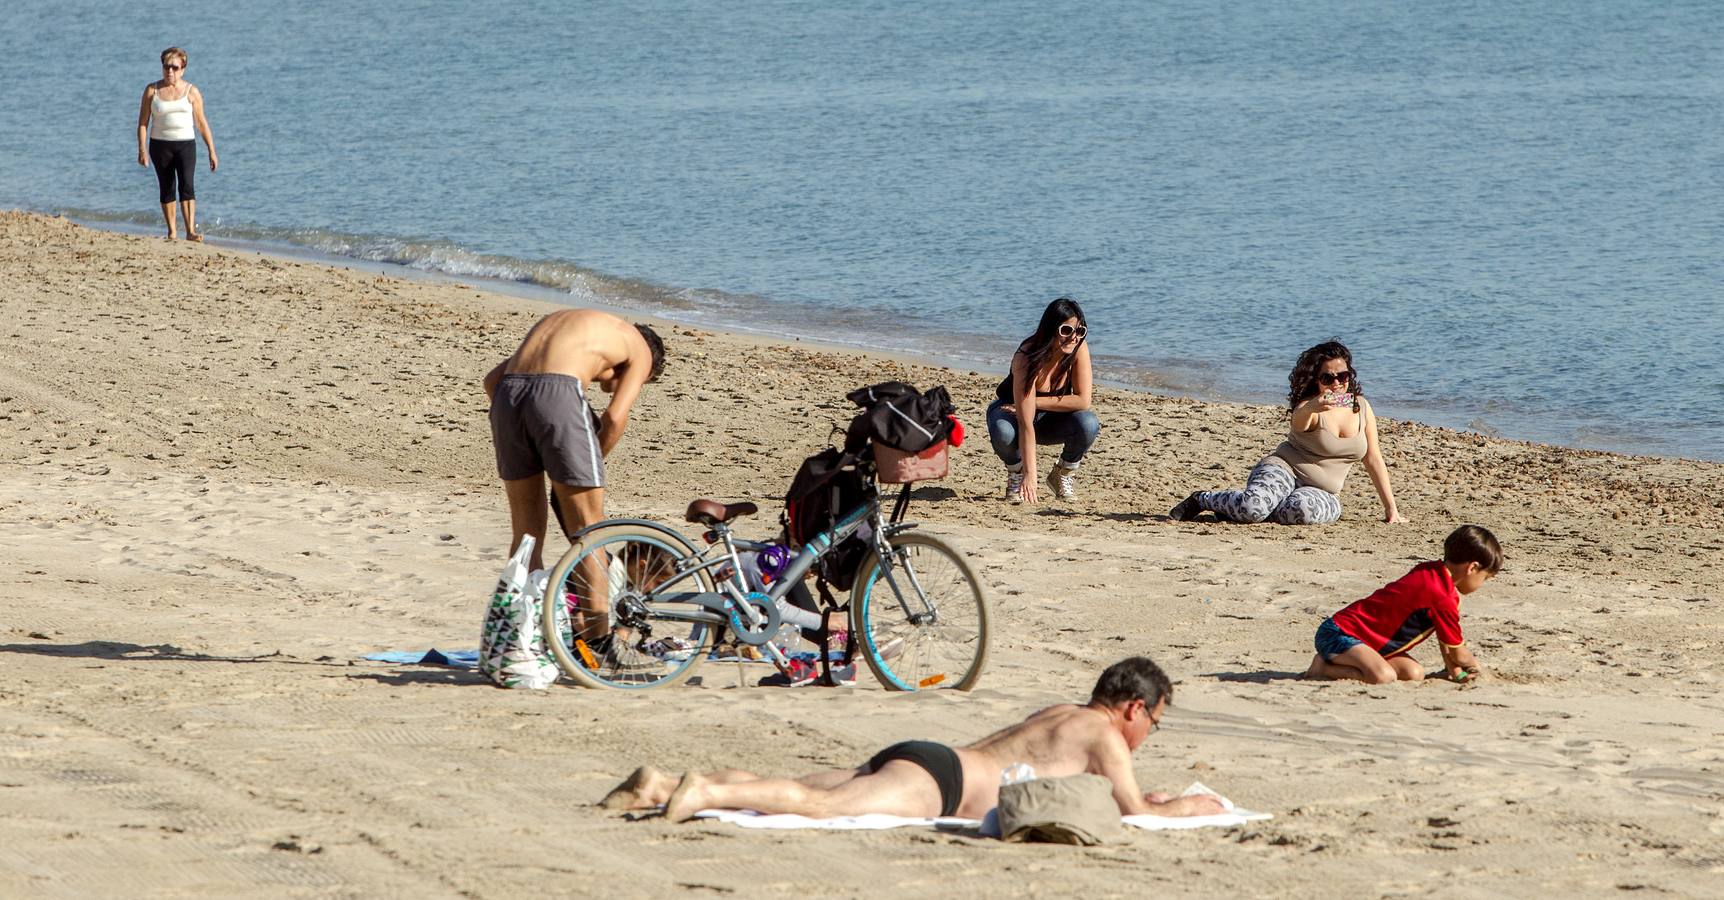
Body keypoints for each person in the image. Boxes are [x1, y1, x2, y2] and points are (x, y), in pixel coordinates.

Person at [599, 656, 1226, 822]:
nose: (1148, 734)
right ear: (1134, 708)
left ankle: (658, 785)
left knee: (810, 787)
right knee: (819, 806)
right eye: (1155, 723)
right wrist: (1194, 804)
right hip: (943, 785)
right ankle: (702, 791)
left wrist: (1154, 795)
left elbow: (1094, 787)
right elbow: (1136, 809)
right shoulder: (1104, 732)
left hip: (927, 755)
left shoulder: (1062, 712)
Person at [483, 310, 664, 653]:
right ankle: (599, 640)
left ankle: (519, 633)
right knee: (590, 529)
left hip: (508, 397)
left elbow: (492, 381)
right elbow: (613, 416)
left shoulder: (587, 328)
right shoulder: (639, 347)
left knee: (525, 533)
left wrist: (528, 431)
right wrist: (588, 461)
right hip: (558, 393)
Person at [1169, 340, 1401, 525]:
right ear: (1316, 380)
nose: (1336, 383)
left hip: (1323, 492)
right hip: (1284, 470)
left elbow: (1373, 458)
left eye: (1342, 376)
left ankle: (1239, 512)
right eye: (1327, 378)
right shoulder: (1308, 406)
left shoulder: (1361, 407)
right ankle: (1203, 499)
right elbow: (1298, 421)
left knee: (1301, 511)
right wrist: (1313, 406)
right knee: (1253, 508)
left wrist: (1391, 509)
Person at [1304, 525, 1501, 684]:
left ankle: (1353, 664)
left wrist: (1456, 673)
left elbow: (1445, 641)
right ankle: (1323, 667)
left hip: (1370, 644)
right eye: (1485, 578)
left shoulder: (1431, 572)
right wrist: (1476, 668)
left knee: (1413, 673)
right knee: (1383, 677)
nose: (1481, 584)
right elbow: (1458, 653)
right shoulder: (1442, 596)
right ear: (1473, 568)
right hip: (1340, 633)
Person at [988, 297, 1098, 503]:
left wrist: (1033, 403)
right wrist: (1030, 475)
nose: (1074, 337)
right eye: (1066, 330)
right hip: (1009, 413)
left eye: (1080, 331)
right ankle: (1016, 473)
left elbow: (1083, 401)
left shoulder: (1078, 348)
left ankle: (1061, 475)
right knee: (1004, 432)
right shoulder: (1026, 356)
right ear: (1050, 328)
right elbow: (1025, 422)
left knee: (1088, 423)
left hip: (1048, 417)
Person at [137, 47, 218, 242]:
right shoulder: (152, 90)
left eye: (174, 67)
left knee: (187, 185)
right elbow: (143, 122)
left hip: (185, 145)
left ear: (182, 69)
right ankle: (172, 231)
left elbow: (201, 123)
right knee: (167, 187)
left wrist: (211, 151)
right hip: (160, 145)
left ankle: (190, 230)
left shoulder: (192, 92)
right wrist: (142, 149)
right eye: (166, 67)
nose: (169, 71)